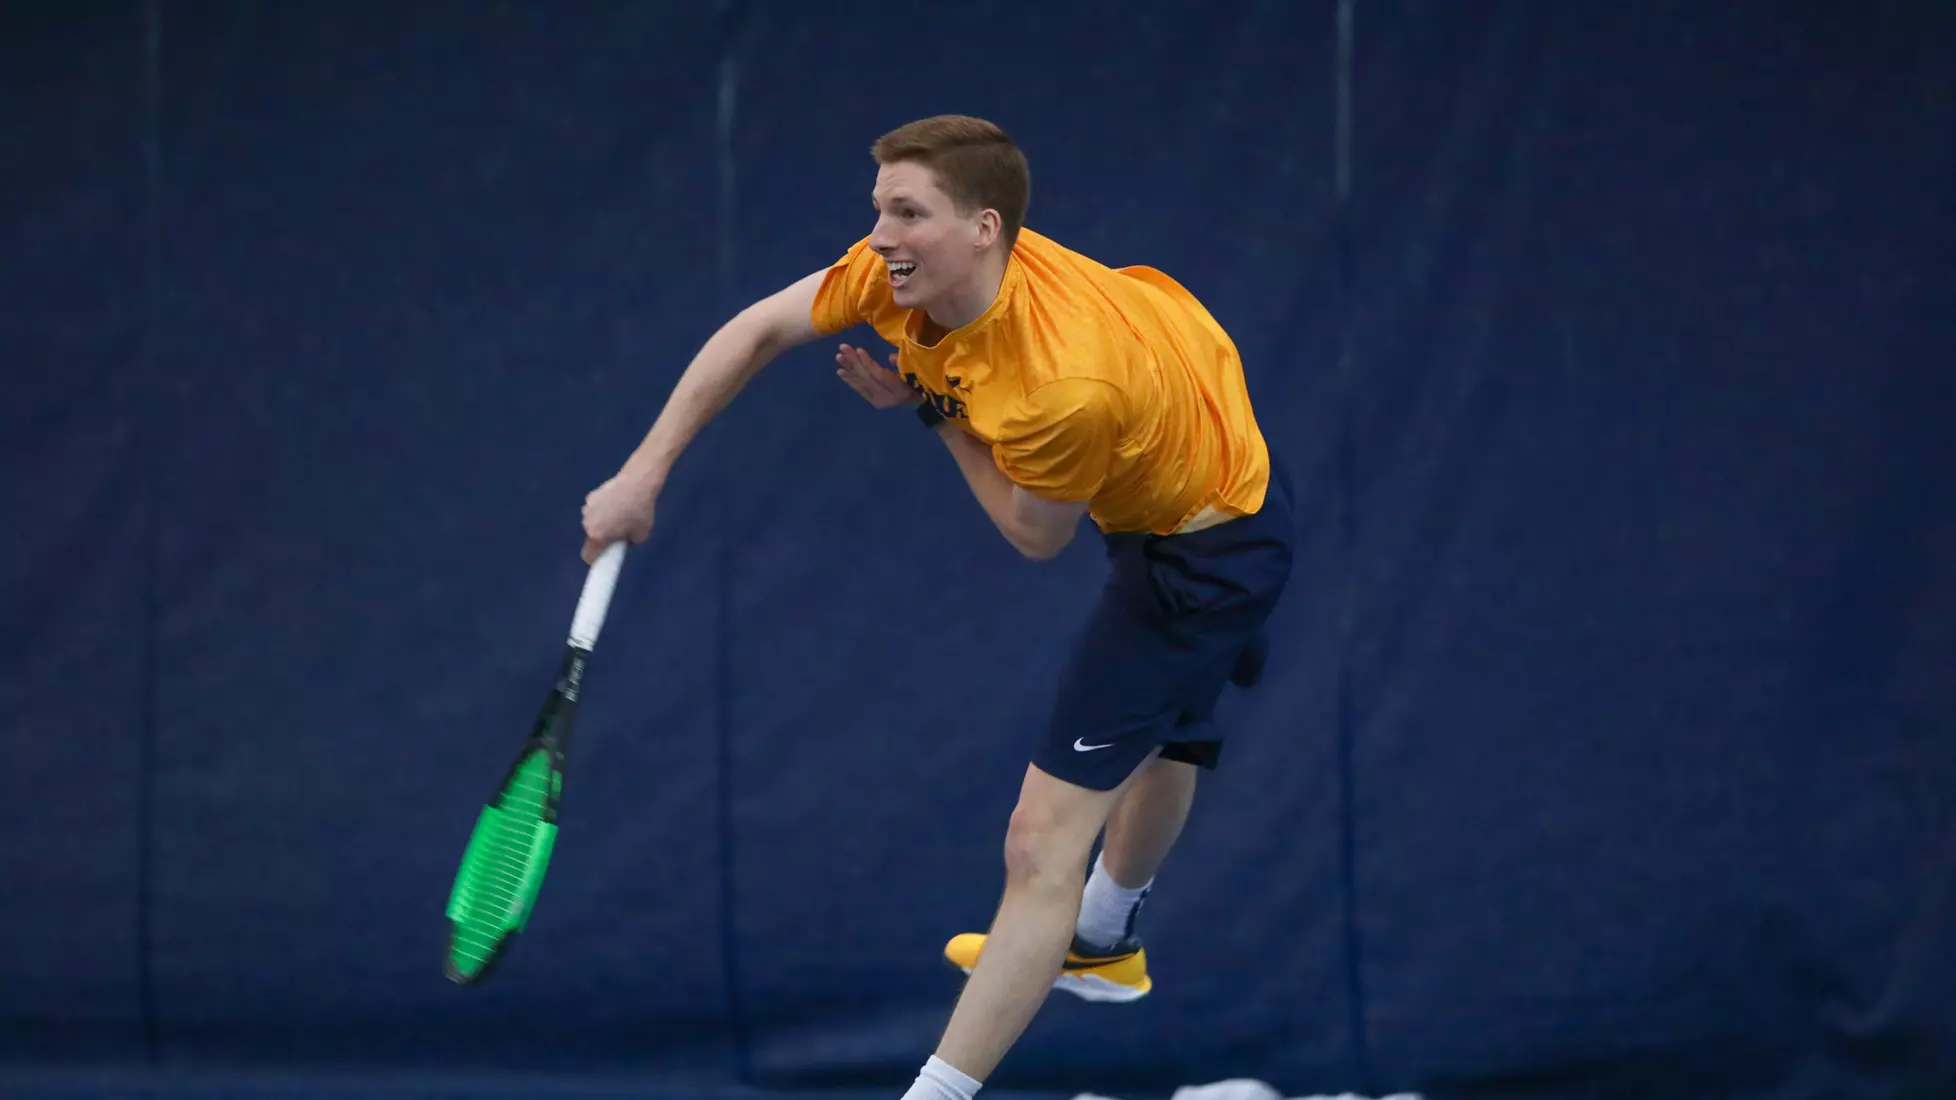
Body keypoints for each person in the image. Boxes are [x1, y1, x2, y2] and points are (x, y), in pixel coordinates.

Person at [579, 115, 1294, 1100]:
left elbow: (1032, 533)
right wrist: (641, 473)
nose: (878, 237)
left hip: (1204, 538)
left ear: (984, 227)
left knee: (1040, 844)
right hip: (1205, 430)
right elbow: (758, 329)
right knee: (1171, 716)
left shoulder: (1061, 388)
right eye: (877, 209)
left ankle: (947, 1083)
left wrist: (931, 403)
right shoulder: (907, 273)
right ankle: (1107, 932)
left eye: (906, 213)